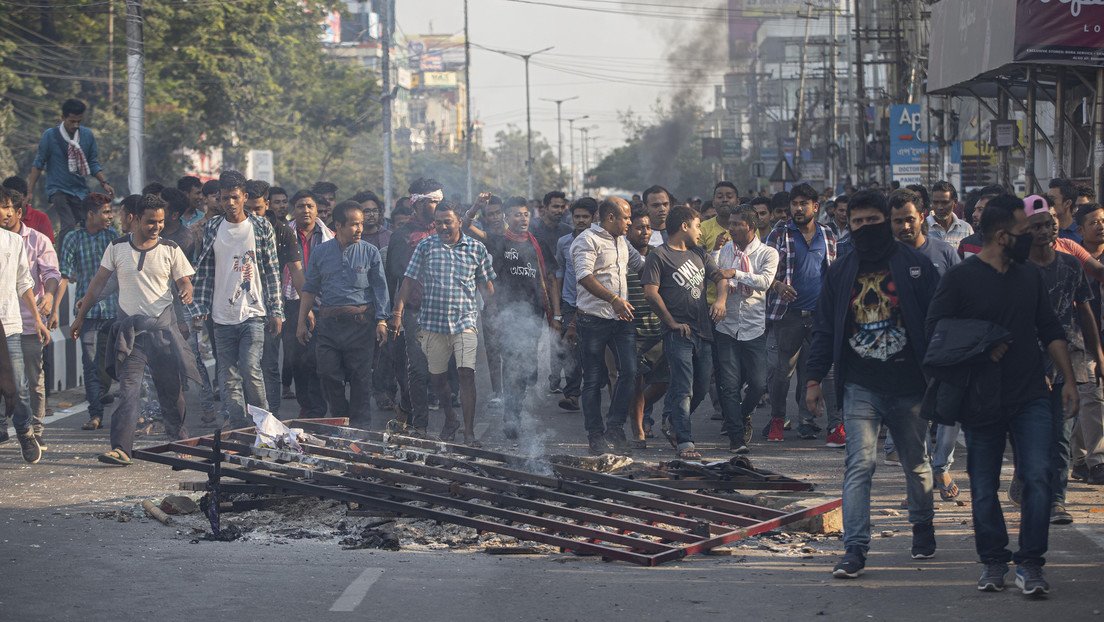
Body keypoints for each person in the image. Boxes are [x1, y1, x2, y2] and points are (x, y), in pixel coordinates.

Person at [925, 194, 1079, 596]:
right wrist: (981, 344)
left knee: (1038, 478)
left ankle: (1031, 564)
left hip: (1031, 394)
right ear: (1001, 235)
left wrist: (1070, 382)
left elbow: (1050, 329)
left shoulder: (1029, 276)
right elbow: (936, 328)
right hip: (980, 397)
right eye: (1024, 232)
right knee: (982, 484)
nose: (1032, 238)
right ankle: (993, 561)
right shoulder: (961, 278)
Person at [804, 189, 939, 579]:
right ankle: (855, 548)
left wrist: (941, 376)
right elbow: (826, 328)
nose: (864, 228)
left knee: (916, 464)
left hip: (910, 385)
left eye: (872, 221)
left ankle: (922, 525)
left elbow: (936, 322)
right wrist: (813, 379)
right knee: (859, 466)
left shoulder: (916, 266)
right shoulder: (841, 270)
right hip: (860, 384)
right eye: (857, 222)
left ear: (887, 220)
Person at [71, 194, 200, 466]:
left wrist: (186, 290)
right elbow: (97, 285)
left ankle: (180, 441)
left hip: (163, 332)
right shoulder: (117, 248)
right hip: (131, 335)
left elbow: (185, 280)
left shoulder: (170, 249)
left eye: (161, 222)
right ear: (136, 219)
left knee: (170, 391)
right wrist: (80, 317)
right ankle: (121, 449)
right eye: (151, 221)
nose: (156, 227)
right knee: (127, 390)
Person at [1020, 196, 1104, 526]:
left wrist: (1097, 353)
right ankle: (1028, 480)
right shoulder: (1015, 266)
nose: (1047, 229)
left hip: (1067, 357)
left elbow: (1083, 310)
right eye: (1037, 225)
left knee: (1060, 431)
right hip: (1024, 360)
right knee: (1028, 431)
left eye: (1051, 221)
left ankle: (1057, 498)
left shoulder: (1070, 263)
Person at [392, 201, 495, 444]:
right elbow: (408, 281)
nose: (442, 227)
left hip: (465, 322)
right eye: (438, 222)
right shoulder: (425, 246)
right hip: (432, 323)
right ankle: (450, 417)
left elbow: (487, 287)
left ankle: (469, 433)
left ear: (460, 221)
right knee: (437, 379)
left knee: (466, 374)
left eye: (447, 222)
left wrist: (496, 313)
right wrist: (397, 313)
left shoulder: (476, 249)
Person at [189, 171, 284, 427]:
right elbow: (205, 270)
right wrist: (199, 306)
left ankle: (264, 423)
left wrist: (277, 311)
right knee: (227, 374)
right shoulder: (211, 227)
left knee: (251, 369)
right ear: (218, 199)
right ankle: (238, 425)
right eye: (224, 198)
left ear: (244, 197)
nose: (230, 203)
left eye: (234, 197)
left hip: (254, 312)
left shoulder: (261, 227)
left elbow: (272, 270)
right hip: (221, 315)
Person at [886, 187, 962, 494]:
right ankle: (920, 483)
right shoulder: (885, 259)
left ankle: (940, 467)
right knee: (910, 420)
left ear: (923, 217)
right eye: (897, 221)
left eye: (910, 219)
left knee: (949, 414)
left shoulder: (944, 252)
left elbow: (963, 296)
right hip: (901, 354)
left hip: (943, 350)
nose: (905, 227)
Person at [641, 206, 730, 460]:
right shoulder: (659, 256)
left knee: (701, 386)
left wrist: (720, 301)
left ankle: (670, 418)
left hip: (703, 330)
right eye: (697, 225)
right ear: (684, 226)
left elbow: (721, 278)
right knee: (684, 387)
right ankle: (685, 441)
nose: (700, 231)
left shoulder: (699, 253)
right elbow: (651, 293)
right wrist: (670, 322)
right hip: (678, 334)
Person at [297, 201, 389, 428]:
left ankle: (360, 431)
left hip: (360, 324)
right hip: (328, 325)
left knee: (361, 379)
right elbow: (309, 289)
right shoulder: (320, 253)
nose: (359, 229)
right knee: (327, 373)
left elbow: (380, 289)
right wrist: (301, 322)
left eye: (361, 224)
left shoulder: (370, 252)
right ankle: (340, 420)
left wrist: (382, 321)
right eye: (353, 224)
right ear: (338, 225)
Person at [468, 199, 551, 439]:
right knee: (512, 363)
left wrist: (553, 312)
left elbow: (550, 279)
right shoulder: (497, 241)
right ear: (507, 217)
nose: (522, 219)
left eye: (526, 215)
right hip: (507, 313)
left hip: (533, 314)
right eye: (517, 215)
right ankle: (511, 415)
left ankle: (515, 404)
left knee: (528, 368)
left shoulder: (538, 244)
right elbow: (467, 226)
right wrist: (474, 208)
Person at [763, 183, 839, 442]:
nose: (797, 208)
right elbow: (762, 272)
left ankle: (833, 426)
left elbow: (833, 273)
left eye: (803, 204)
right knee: (782, 373)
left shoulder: (827, 234)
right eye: (794, 204)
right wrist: (777, 285)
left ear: (815, 207)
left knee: (825, 373)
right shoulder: (779, 234)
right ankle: (777, 421)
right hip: (788, 315)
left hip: (819, 315)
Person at [571, 197, 643, 454]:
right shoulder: (587, 241)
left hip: (621, 318)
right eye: (626, 218)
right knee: (592, 380)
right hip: (593, 318)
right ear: (611, 218)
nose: (629, 223)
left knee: (630, 372)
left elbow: (640, 265)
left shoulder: (621, 240)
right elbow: (584, 276)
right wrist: (614, 299)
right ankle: (595, 434)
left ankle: (615, 426)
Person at [714, 206, 778, 454]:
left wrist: (736, 273)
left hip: (754, 327)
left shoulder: (767, 253)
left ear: (750, 227)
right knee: (728, 385)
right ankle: (735, 437)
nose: (730, 228)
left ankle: (742, 416)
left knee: (759, 383)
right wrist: (718, 251)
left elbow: (765, 281)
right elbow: (712, 271)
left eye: (736, 224)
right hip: (727, 326)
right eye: (730, 223)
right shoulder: (725, 250)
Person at [384, 178, 443, 436]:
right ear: (416, 203)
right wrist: (391, 314)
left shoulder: (447, 230)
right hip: (414, 312)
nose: (437, 206)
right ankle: (420, 425)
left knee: (443, 370)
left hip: (445, 311)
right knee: (417, 369)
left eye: (440, 201)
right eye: (432, 202)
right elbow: (393, 279)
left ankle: (448, 420)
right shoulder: (402, 236)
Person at [54, 193, 118, 431]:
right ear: (91, 214)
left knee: (117, 362)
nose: (110, 216)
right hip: (87, 313)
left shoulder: (113, 238)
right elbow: (65, 276)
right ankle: (96, 414)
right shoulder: (73, 239)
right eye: (106, 212)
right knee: (90, 364)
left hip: (114, 311)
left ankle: (125, 409)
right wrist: (53, 310)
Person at [3, 189, 59, 451]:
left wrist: (40, 316)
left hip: (14, 323)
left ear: (17, 211)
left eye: (7, 208)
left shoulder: (18, 243)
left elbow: (27, 282)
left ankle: (29, 429)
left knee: (23, 382)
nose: (5, 213)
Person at [245, 179, 305, 415]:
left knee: (269, 365)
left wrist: (306, 307)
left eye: (257, 209)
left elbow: (297, 270)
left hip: (270, 306)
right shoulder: (233, 228)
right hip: (239, 307)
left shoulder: (282, 232)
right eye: (247, 209)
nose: (252, 215)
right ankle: (246, 416)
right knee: (245, 367)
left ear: (266, 205)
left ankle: (271, 416)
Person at [25, 99, 114, 244]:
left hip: (79, 190)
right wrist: (29, 191)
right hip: (58, 189)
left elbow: (92, 163)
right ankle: (62, 263)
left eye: (79, 121)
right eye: (72, 121)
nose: (76, 125)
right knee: (69, 224)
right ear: (63, 118)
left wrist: (104, 182)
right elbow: (38, 164)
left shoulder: (87, 136)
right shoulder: (50, 136)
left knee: (89, 223)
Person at [284, 190, 333, 417]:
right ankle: (307, 404)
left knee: (319, 358)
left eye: (310, 206)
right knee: (297, 358)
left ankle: (318, 406)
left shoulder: (329, 236)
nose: (306, 210)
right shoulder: (284, 234)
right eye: (301, 206)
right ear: (293, 210)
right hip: (292, 302)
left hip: (323, 303)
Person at [625, 206, 664, 447]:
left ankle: (638, 411)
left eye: (648, 227)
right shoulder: (623, 259)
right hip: (632, 328)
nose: (645, 232)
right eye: (639, 227)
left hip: (658, 326)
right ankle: (638, 429)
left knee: (664, 380)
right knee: (636, 382)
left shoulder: (659, 255)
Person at [554, 197, 597, 412]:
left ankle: (595, 392)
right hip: (571, 302)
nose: (581, 220)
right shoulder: (564, 242)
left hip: (595, 303)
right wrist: (558, 307)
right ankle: (572, 394)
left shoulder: (601, 240)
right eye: (577, 217)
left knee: (593, 351)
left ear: (593, 218)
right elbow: (560, 272)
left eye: (585, 217)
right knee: (570, 349)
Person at [1073, 202, 1104, 485]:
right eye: (1093, 221)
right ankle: (1096, 462)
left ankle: (1080, 458)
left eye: (1103, 220)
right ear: (1081, 230)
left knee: (1091, 401)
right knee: (1092, 396)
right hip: (1083, 338)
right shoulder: (1073, 256)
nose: (1100, 225)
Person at [531, 191, 571, 394]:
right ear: (544, 208)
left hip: (561, 291)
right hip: (536, 292)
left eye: (561, 207)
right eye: (554, 206)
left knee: (559, 335)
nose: (558, 210)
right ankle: (530, 376)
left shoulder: (567, 231)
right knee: (533, 335)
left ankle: (555, 378)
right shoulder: (532, 229)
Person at [2, 177, 54, 243]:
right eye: (10, 201)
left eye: (18, 200)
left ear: (26, 197)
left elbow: (48, 245)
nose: (15, 204)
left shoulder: (41, 218)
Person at [927, 181, 974, 250]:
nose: (940, 207)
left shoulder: (966, 229)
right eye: (936, 202)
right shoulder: (922, 228)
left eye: (945, 202)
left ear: (955, 202)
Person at [699, 181, 739, 253]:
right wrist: (716, 248)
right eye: (720, 197)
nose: (725, 200)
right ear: (713, 202)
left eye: (729, 197)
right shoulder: (702, 228)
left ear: (737, 202)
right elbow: (698, 260)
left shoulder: (749, 227)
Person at [1048, 178, 1081, 243]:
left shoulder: (1082, 233)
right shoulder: (1044, 232)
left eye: (1051, 199)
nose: (1047, 202)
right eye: (1047, 198)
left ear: (1067, 203)